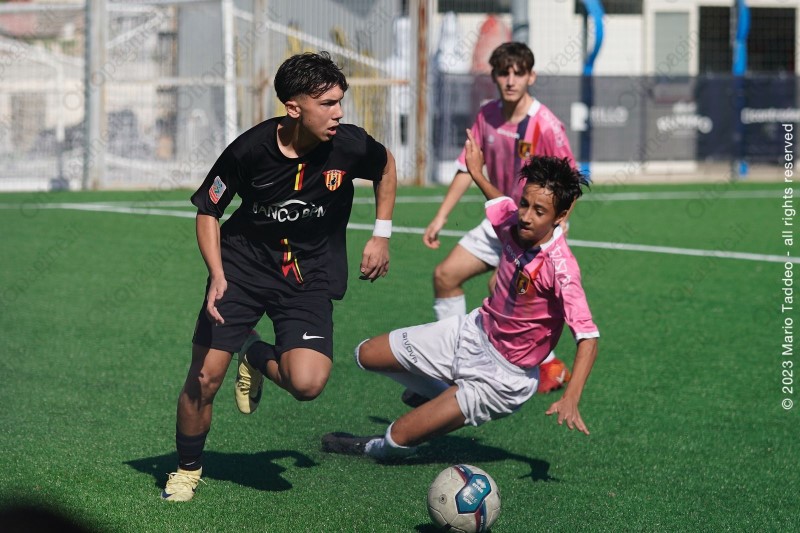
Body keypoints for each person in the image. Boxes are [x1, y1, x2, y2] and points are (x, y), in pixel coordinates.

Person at [161, 51, 397, 501]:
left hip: (308, 275)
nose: (338, 112)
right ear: (294, 108)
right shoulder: (249, 150)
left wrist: (381, 234)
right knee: (205, 378)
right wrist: (217, 274)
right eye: (327, 103)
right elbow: (208, 210)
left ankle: (253, 352)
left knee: (307, 384)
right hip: (242, 269)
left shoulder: (348, 145)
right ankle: (187, 469)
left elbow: (386, 167)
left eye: (340, 101)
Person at [322, 149, 598, 462]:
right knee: (366, 354)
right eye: (524, 203)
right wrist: (477, 172)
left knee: (396, 438)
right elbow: (498, 201)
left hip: (503, 379)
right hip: (472, 332)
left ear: (560, 216)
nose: (525, 216)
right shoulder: (511, 222)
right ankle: (443, 396)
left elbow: (588, 339)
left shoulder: (562, 269)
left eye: (539, 211)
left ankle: (373, 448)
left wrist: (571, 397)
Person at [422, 42, 576, 398]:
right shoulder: (487, 114)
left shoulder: (545, 125)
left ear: (531, 77)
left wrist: (554, 227)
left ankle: (545, 364)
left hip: (532, 230)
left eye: (518, 73)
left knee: (501, 288)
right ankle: (456, 363)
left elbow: (571, 181)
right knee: (445, 276)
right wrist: (441, 217)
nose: (510, 80)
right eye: (504, 73)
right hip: (500, 220)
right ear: (493, 76)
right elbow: (468, 167)